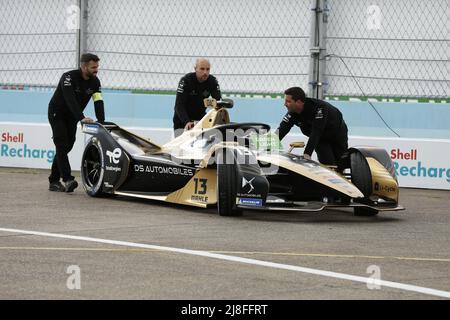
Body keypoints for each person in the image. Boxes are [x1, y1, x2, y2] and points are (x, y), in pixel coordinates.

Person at [48, 53, 105, 192]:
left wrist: (102, 121)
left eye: (97, 66)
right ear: (84, 67)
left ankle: (53, 180)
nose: (96, 69)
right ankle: (67, 179)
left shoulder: (95, 82)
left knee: (68, 145)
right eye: (93, 67)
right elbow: (69, 99)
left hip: (73, 116)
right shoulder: (68, 77)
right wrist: (81, 117)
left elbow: (98, 101)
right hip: (58, 113)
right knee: (61, 144)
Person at [276, 87, 348, 166]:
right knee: (329, 164)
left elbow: (316, 131)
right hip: (321, 139)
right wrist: (266, 148)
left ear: (299, 102)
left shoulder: (319, 107)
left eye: (288, 101)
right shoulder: (292, 113)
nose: (285, 104)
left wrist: (307, 154)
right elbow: (281, 130)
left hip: (337, 134)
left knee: (341, 163)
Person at [172, 58, 221, 137]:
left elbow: (218, 101)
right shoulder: (186, 80)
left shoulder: (212, 81)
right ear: (195, 69)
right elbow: (179, 105)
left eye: (207, 69)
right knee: (181, 147)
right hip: (182, 120)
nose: (205, 72)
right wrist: (187, 122)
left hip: (200, 119)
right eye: (202, 69)